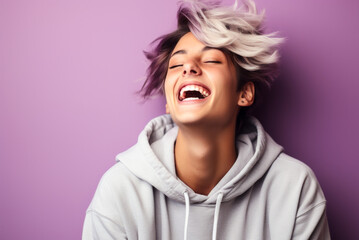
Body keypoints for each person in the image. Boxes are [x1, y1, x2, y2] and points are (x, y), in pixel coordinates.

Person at [82, 0, 331, 239]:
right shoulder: (120, 190)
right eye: (176, 64)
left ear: (244, 93)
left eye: (211, 60)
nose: (188, 68)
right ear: (169, 102)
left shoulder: (295, 188)